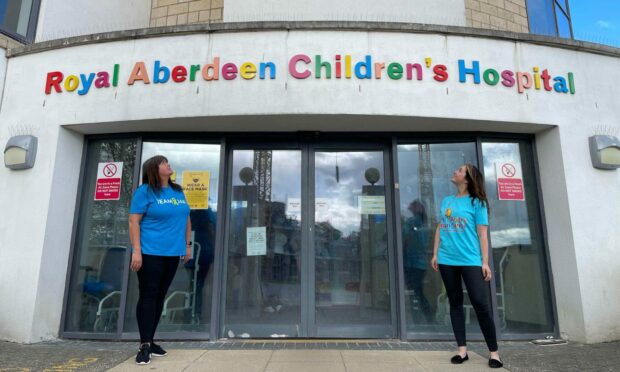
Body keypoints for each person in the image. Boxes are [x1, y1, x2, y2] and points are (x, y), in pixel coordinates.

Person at [430, 163, 503, 369]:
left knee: (480, 303)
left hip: (470, 260)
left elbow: (482, 234)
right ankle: (462, 350)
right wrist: (435, 253)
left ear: (468, 178)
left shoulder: (477, 203)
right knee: (454, 302)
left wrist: (485, 262)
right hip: (446, 260)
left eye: (460, 170)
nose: (455, 171)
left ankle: (494, 353)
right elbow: (439, 228)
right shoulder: (447, 201)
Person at [128, 155, 192, 365]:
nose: (168, 164)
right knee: (149, 295)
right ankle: (144, 345)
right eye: (164, 162)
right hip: (150, 253)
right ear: (154, 169)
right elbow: (134, 222)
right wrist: (137, 251)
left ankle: (151, 340)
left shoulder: (177, 191)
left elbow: (186, 218)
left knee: (160, 296)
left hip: (172, 253)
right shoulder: (144, 191)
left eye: (167, 161)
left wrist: (188, 245)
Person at [402, 199, 433, 323]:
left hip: (412, 263)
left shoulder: (412, 223)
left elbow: (404, 237)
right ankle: (424, 317)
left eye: (411, 208)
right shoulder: (424, 225)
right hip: (420, 264)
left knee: (415, 292)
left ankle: (423, 318)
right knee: (417, 291)